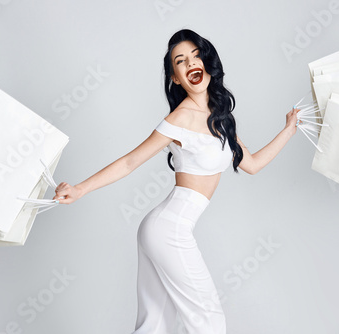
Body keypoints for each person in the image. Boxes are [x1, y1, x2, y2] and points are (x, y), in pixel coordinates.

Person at [53, 29, 300, 334]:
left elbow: (253, 164)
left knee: (153, 326)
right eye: (181, 61)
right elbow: (130, 161)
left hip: (166, 229)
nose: (191, 63)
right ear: (176, 78)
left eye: (196, 55)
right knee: (208, 320)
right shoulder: (179, 119)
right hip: (169, 230)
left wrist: (288, 130)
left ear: (208, 63)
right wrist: (80, 189)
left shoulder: (220, 117)